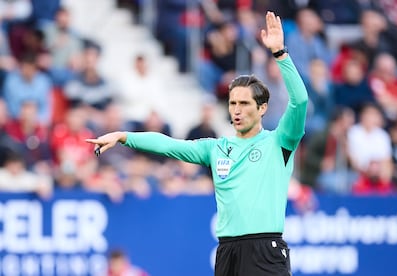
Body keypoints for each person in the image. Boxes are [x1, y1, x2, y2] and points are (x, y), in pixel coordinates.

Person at [86, 11, 308, 276]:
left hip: (264, 249)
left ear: (262, 109)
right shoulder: (215, 148)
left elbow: (300, 101)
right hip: (227, 252)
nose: (236, 110)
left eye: (245, 104)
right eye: (232, 103)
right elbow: (169, 145)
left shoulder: (279, 142)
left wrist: (280, 53)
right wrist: (124, 136)